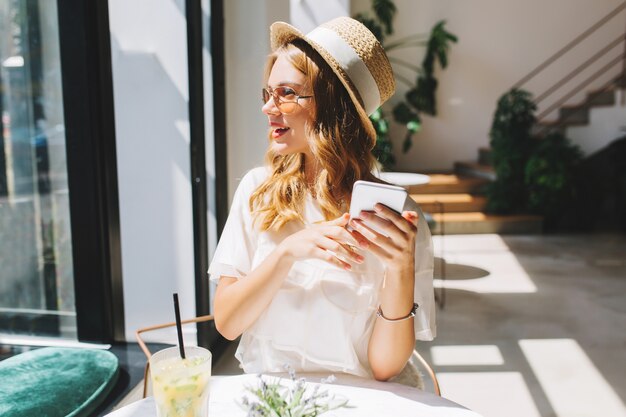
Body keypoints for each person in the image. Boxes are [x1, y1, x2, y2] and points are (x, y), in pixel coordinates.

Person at [209, 16, 435, 383]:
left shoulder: (397, 217)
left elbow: (385, 367)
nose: (268, 107)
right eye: (268, 93)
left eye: (287, 93)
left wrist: (400, 269)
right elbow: (228, 323)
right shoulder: (258, 191)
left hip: (364, 403)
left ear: (334, 106)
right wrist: (287, 252)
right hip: (276, 400)